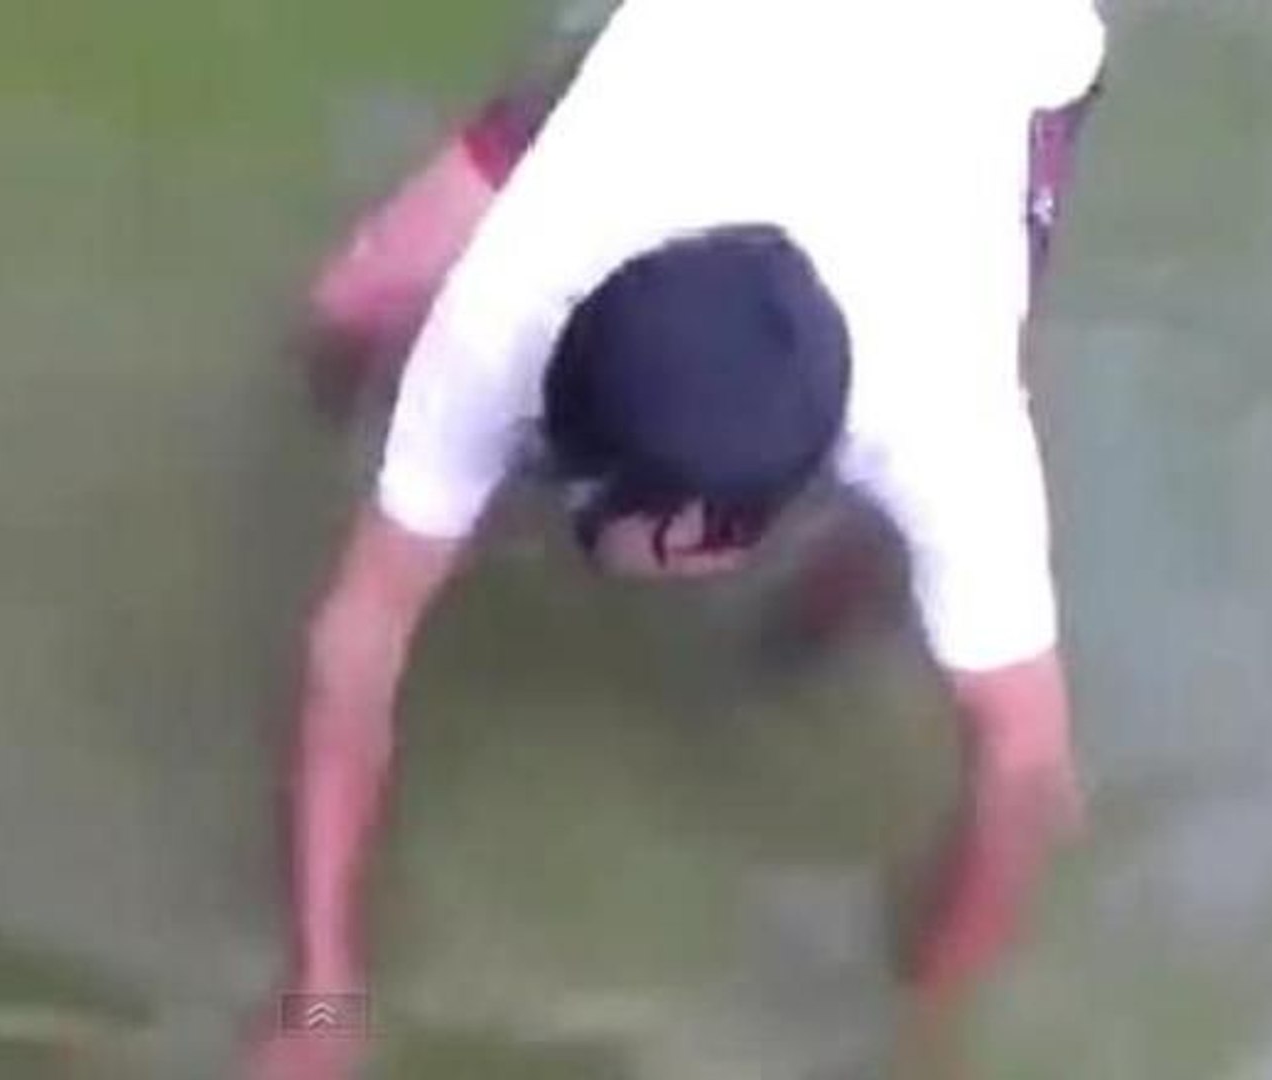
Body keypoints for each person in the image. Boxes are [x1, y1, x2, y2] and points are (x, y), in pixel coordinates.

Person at [254, 1, 1107, 1076]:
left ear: (737, 532)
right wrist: (321, 1001)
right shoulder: (504, 312)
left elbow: (1026, 770)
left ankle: (830, 617)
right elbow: (357, 635)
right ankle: (368, 478)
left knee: (920, 541)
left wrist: (927, 1039)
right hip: (704, 52)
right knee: (348, 311)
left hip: (999, 40)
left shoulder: (946, 425)